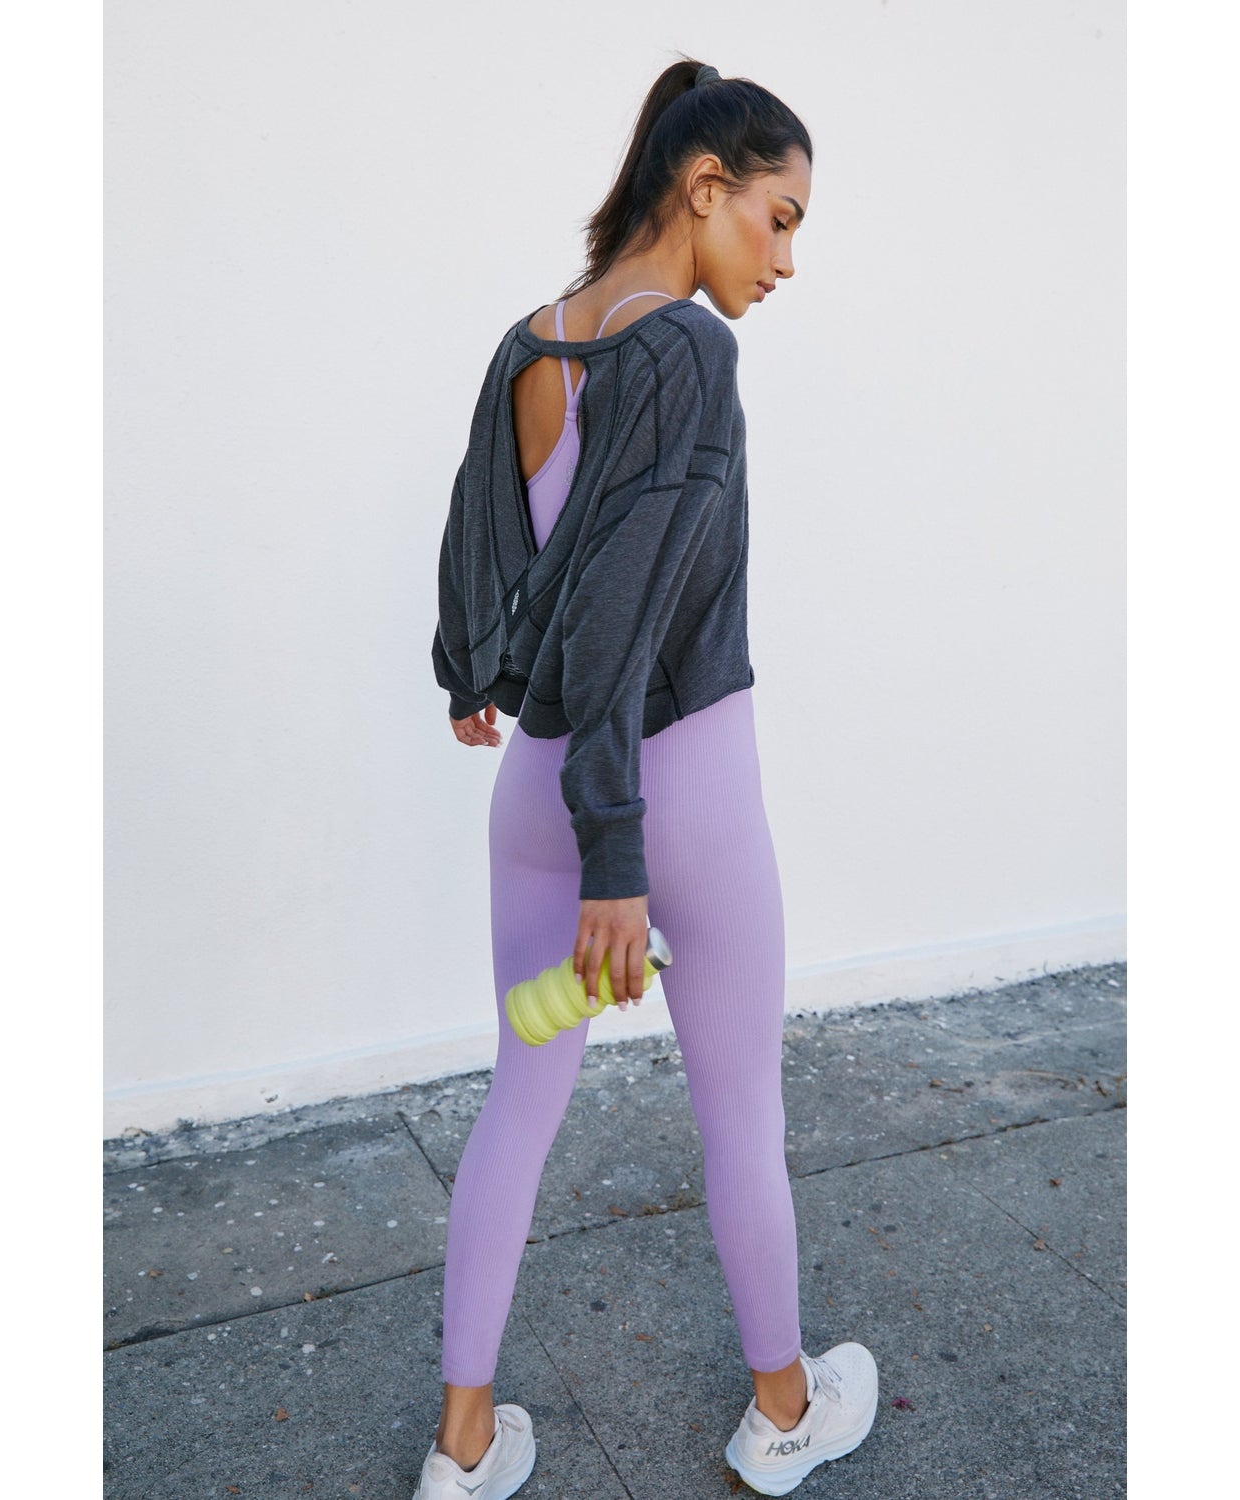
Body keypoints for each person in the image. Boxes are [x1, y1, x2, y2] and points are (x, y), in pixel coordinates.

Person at [418, 57, 877, 1500]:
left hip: (537, 799)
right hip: (672, 802)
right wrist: (619, 863)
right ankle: (784, 1412)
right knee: (739, 1107)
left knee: (518, 1099)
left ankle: (463, 1446)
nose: (786, 260)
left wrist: (471, 669)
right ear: (705, 186)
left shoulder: (534, 340)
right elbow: (622, 614)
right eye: (778, 219)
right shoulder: (682, 352)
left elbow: (481, 527)